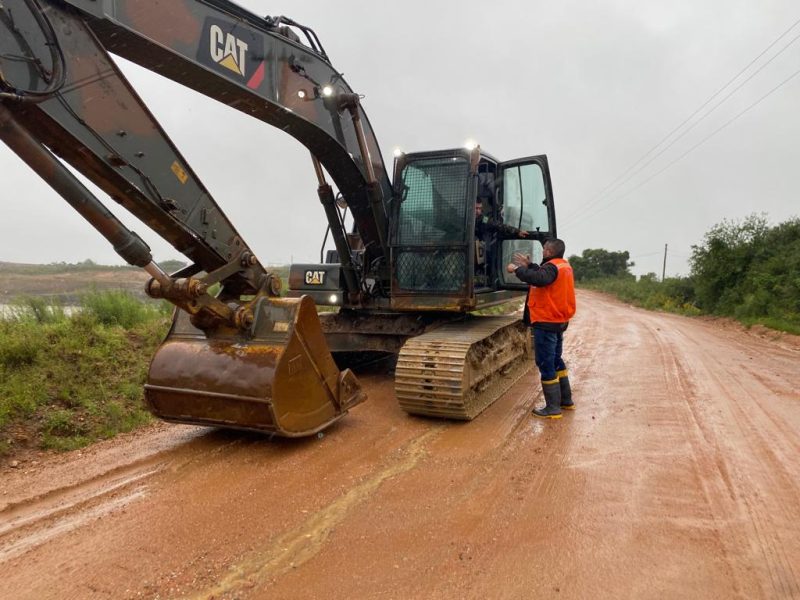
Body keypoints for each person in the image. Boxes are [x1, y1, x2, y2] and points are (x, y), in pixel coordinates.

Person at [506, 238, 576, 419]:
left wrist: (517, 270)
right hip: (557, 320)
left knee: (546, 363)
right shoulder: (562, 266)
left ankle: (552, 408)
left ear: (549, 252)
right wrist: (530, 265)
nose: (543, 250)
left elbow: (540, 278)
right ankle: (566, 401)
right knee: (555, 360)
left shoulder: (552, 268)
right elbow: (544, 273)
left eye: (545, 248)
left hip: (546, 321)